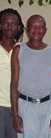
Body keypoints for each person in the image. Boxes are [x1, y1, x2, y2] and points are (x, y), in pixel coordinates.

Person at [11, 14, 51, 138]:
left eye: (40, 27)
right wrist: (15, 114)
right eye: (33, 27)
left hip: (49, 106)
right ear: (27, 30)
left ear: (45, 30)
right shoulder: (18, 50)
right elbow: (14, 84)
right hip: (26, 106)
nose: (36, 30)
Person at [0, 8, 24, 138]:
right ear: (0, 25)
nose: (9, 26)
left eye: (13, 23)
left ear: (18, 27)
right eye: (6, 23)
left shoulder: (23, 49)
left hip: (18, 108)